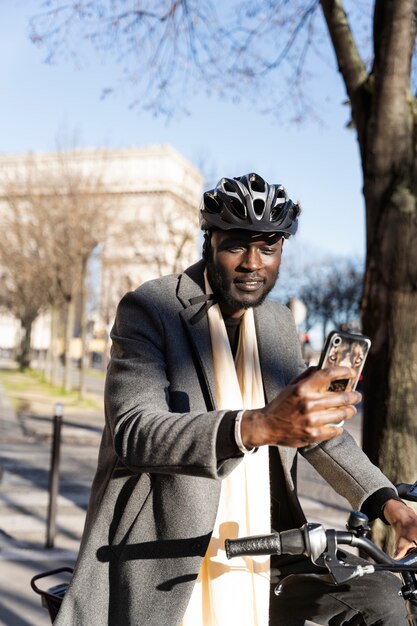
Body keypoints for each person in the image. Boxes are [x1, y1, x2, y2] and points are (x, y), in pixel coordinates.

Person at [55, 173, 417, 626]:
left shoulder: (277, 324)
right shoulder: (151, 308)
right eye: (235, 246)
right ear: (210, 242)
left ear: (282, 250)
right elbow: (136, 431)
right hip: (163, 556)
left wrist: (391, 506)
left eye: (267, 248)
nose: (252, 263)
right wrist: (256, 426)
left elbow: (315, 430)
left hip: (262, 549)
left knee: (380, 600)